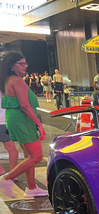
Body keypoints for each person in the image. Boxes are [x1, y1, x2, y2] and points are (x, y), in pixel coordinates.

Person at [0, 52, 48, 198]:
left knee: (29, 155)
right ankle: (6, 179)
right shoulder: (17, 80)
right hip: (22, 119)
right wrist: (39, 124)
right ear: (11, 65)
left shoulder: (9, 79)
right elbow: (25, 105)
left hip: (16, 118)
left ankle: (32, 187)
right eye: (21, 64)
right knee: (36, 156)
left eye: (25, 64)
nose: (25, 67)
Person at [0, 92, 19, 176]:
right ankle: (12, 173)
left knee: (10, 147)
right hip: (5, 119)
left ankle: (9, 172)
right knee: (11, 147)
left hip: (4, 120)